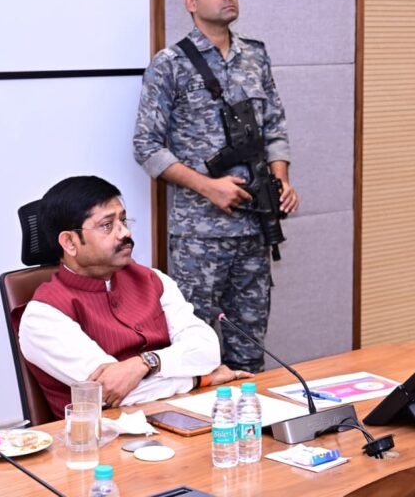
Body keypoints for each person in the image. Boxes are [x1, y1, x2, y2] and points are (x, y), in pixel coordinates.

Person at [133, 0, 297, 373]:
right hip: (199, 238)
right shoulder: (170, 64)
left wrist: (281, 178)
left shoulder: (255, 56)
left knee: (250, 352)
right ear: (190, 2)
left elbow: (275, 127)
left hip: (254, 230)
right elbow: (146, 146)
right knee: (197, 356)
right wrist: (209, 187)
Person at [19, 176, 250, 419]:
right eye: (107, 225)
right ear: (69, 242)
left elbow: (207, 350)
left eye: (123, 220)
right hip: (103, 435)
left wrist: (147, 362)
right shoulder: (42, 316)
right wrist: (202, 379)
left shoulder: (152, 279)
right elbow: (114, 392)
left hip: (181, 419)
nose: (125, 232)